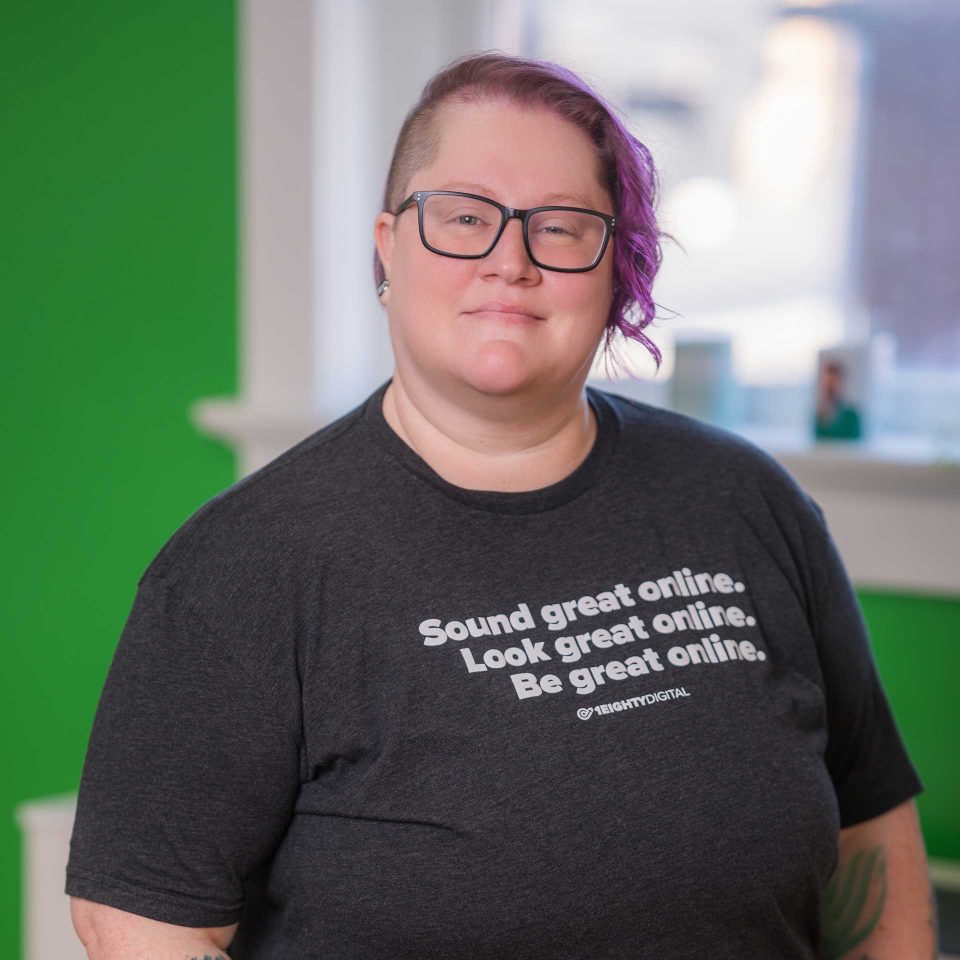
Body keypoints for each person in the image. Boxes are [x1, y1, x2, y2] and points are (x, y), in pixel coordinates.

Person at [66, 52, 935, 959]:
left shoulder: (748, 502)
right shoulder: (244, 567)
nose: (508, 261)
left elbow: (868, 829)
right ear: (386, 246)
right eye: (465, 218)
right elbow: (140, 923)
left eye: (560, 229)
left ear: (613, 270)